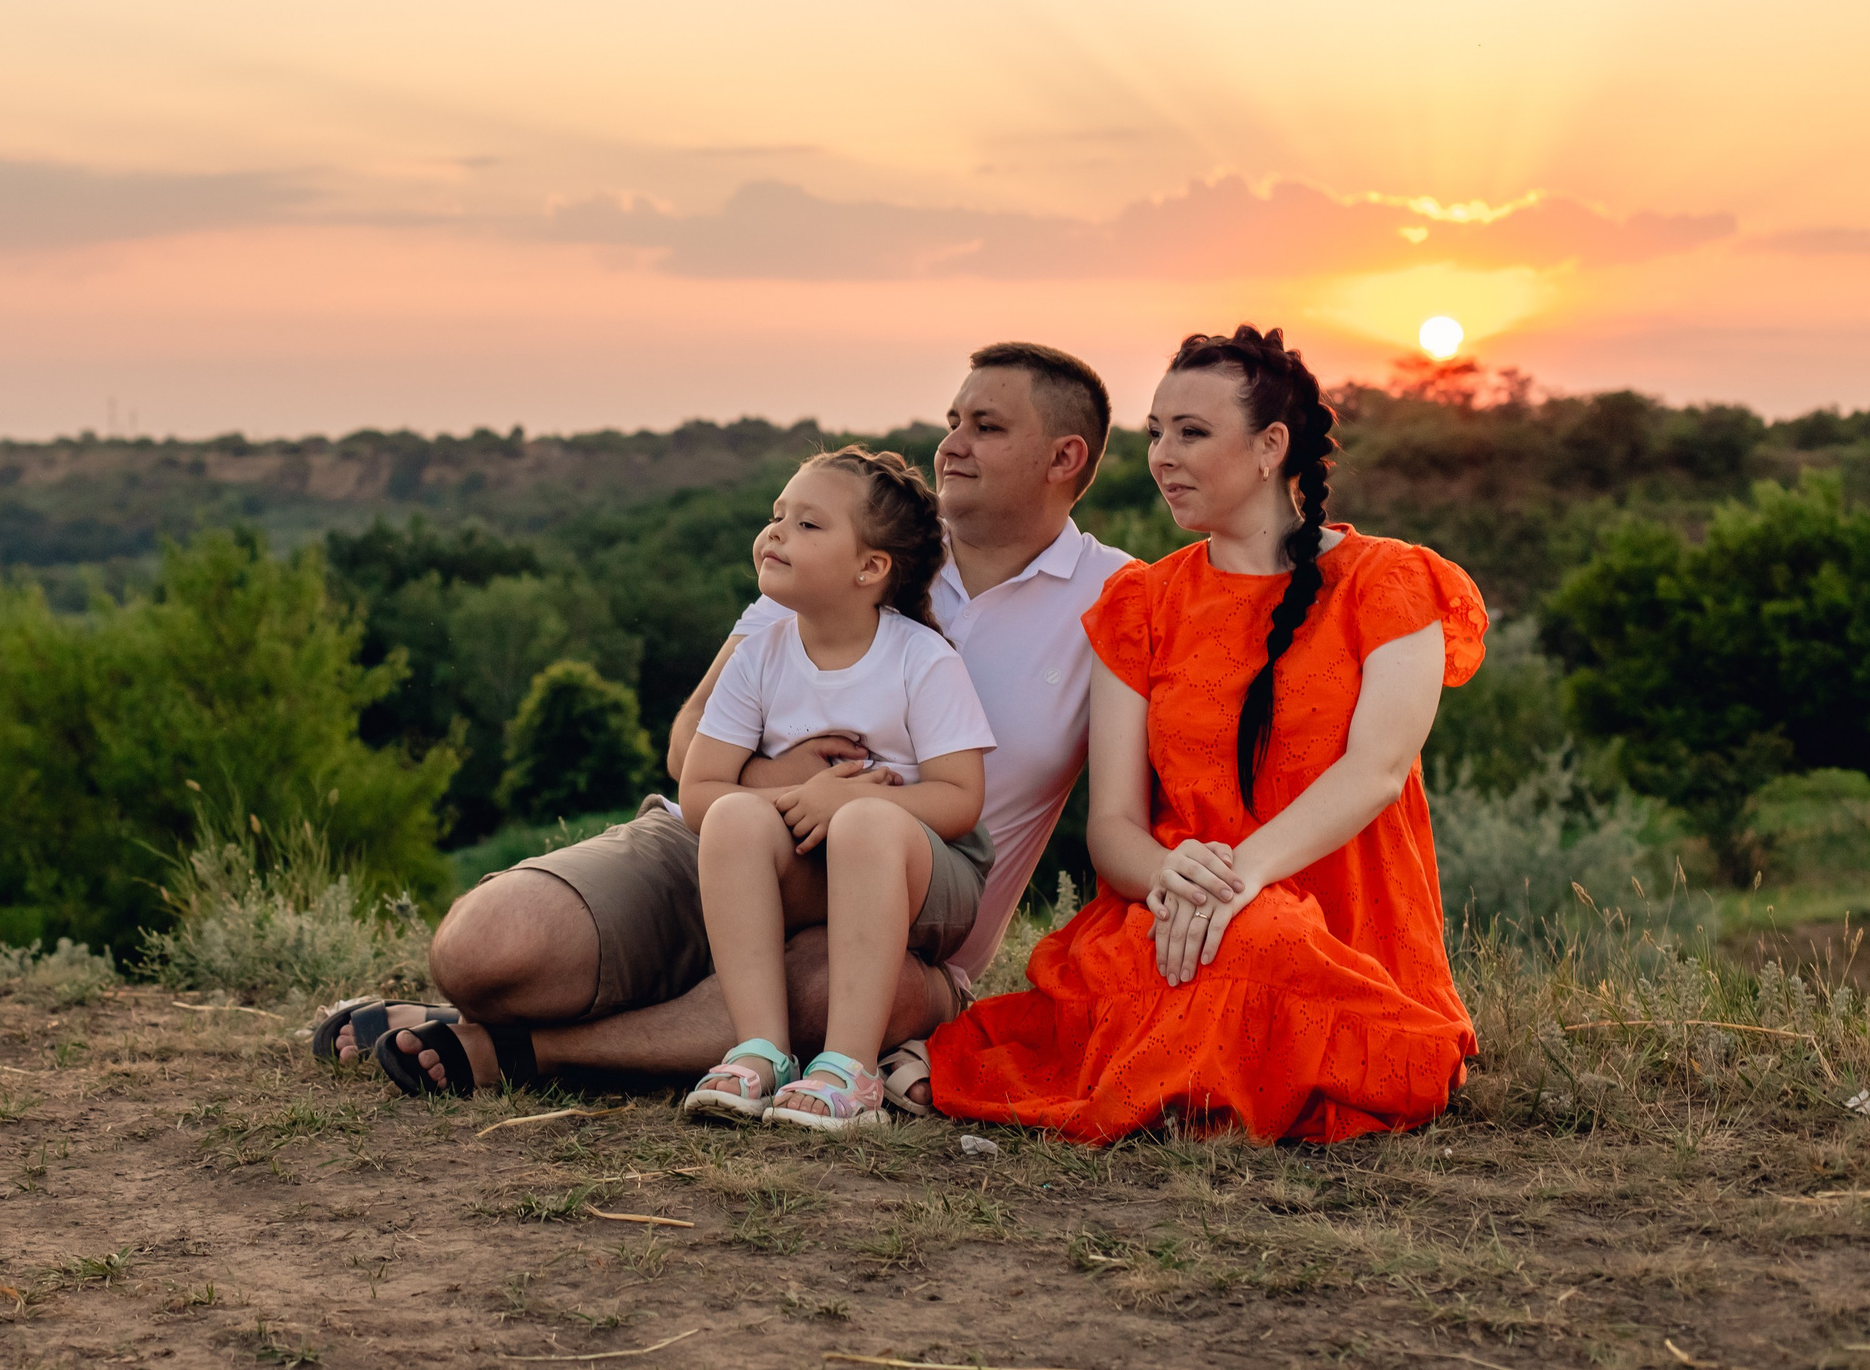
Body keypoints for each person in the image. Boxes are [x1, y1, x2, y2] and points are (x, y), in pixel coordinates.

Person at [339, 343, 1132, 1099]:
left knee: (823, 998)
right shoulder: (846, 541)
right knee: (488, 948)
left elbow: (1137, 802)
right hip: (723, 840)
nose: (951, 443)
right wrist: (788, 782)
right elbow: (688, 744)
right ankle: (551, 1011)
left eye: (986, 427)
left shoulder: (1119, 599)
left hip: (900, 913)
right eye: (953, 420)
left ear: (1064, 457)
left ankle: (518, 1049)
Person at [927, 326, 1486, 1142]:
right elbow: (1113, 827)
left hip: (1337, 931)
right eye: (1156, 432)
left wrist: (1240, 879)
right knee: (1233, 942)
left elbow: (1375, 770)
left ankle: (1206, 1070)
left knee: (1267, 937)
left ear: (1270, 447)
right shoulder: (1140, 604)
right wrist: (1172, 876)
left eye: (1191, 432)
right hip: (1174, 915)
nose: (1163, 456)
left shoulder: (1391, 581)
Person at [677, 447, 995, 1133]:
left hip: (925, 880)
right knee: (732, 816)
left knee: (865, 824)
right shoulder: (758, 654)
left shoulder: (920, 658)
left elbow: (960, 798)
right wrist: (806, 799)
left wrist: (848, 801)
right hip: (813, 863)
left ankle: (850, 1068)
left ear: (870, 567)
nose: (776, 531)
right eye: (777, 515)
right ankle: (761, 1051)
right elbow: (698, 790)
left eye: (807, 524)